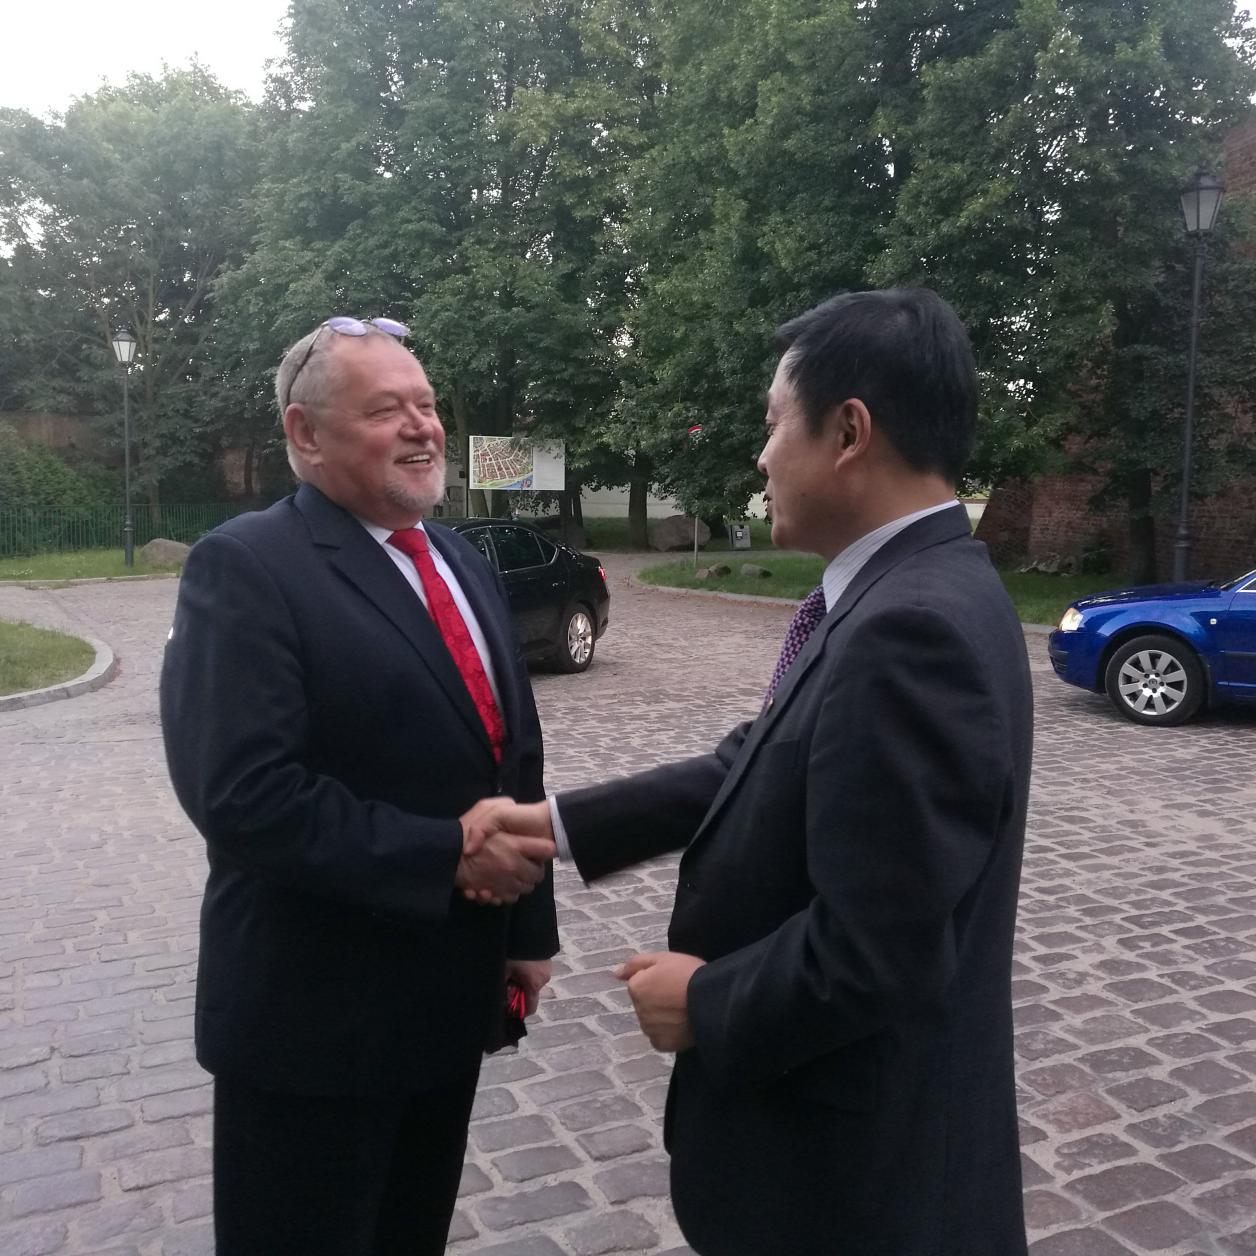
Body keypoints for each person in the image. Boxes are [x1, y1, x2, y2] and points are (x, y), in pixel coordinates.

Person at [478, 289, 1033, 1255]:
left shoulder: (909, 629)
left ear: (849, 432)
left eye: (774, 424)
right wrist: (559, 824)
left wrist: (705, 1002)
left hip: (852, 1190)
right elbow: (761, 761)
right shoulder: (919, 588)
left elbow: (884, 947)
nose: (762, 456)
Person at [160, 316, 557, 1256]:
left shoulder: (459, 560)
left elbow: (513, 754)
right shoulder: (247, 566)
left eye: (427, 404)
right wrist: (449, 852)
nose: (423, 427)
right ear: (305, 434)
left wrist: (526, 932)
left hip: (446, 1004)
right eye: (387, 410)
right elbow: (243, 795)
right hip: (313, 1028)